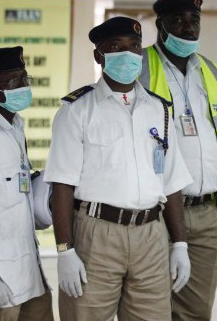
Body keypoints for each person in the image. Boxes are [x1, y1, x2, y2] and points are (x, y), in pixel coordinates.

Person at [44, 16, 193, 320]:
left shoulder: (159, 110)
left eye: (134, 46)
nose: (127, 54)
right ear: (99, 56)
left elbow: (172, 182)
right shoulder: (77, 111)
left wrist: (180, 244)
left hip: (151, 234)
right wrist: (65, 251)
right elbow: (62, 185)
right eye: (116, 46)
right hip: (97, 235)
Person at [139, 0, 217, 321]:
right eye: (178, 21)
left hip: (205, 213)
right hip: (155, 211)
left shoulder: (210, 72)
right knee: (153, 306)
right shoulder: (141, 67)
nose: (189, 28)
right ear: (160, 26)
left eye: (195, 21)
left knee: (196, 309)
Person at [0, 46, 54, 321]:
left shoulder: (15, 127)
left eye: (24, 78)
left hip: (30, 268)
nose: (22, 86)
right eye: (12, 81)